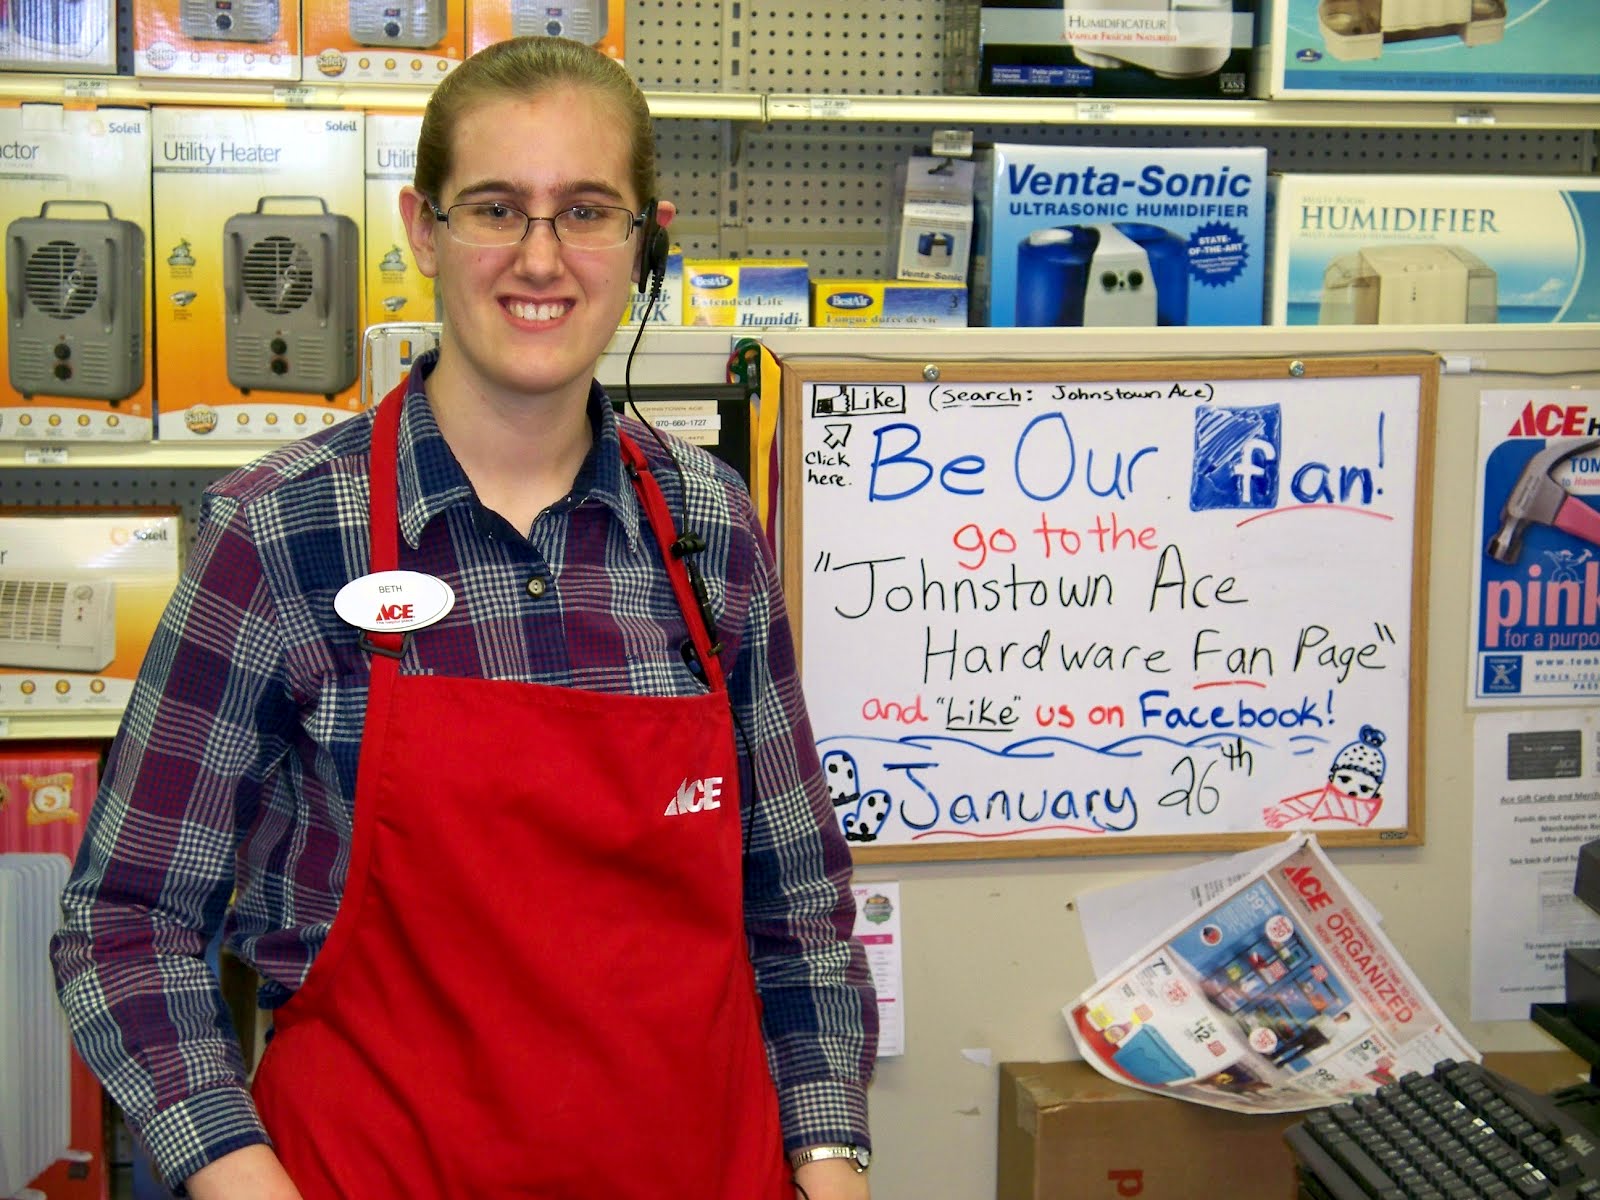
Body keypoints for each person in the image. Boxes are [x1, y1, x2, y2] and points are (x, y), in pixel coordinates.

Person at [50, 35, 877, 1200]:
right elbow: (127, 924)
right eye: (496, 208)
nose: (540, 258)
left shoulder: (706, 528)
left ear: (645, 239)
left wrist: (830, 1165)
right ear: (424, 230)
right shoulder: (281, 535)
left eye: (585, 211)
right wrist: (244, 1181)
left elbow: (796, 911)